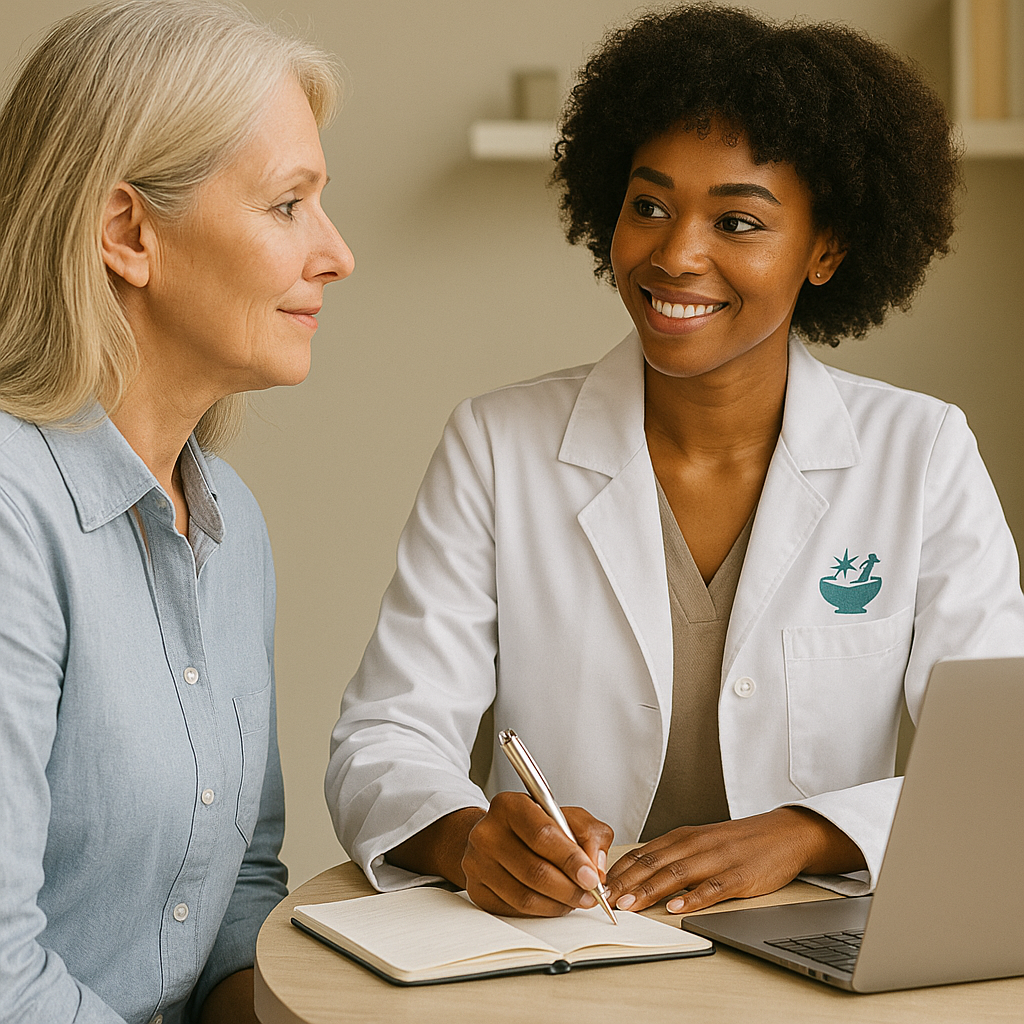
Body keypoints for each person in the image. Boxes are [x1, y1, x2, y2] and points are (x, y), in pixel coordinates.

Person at [326, 4, 1024, 921]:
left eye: (738, 221)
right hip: (564, 950)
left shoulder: (921, 455)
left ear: (826, 250)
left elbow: (999, 768)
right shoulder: (499, 445)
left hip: (810, 947)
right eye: (649, 206)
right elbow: (384, 738)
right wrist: (468, 839)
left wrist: (808, 833)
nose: (677, 254)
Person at [0, 2, 353, 1021]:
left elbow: (236, 897)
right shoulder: (16, 518)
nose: (334, 254)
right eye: (288, 204)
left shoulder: (226, 517)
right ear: (128, 234)